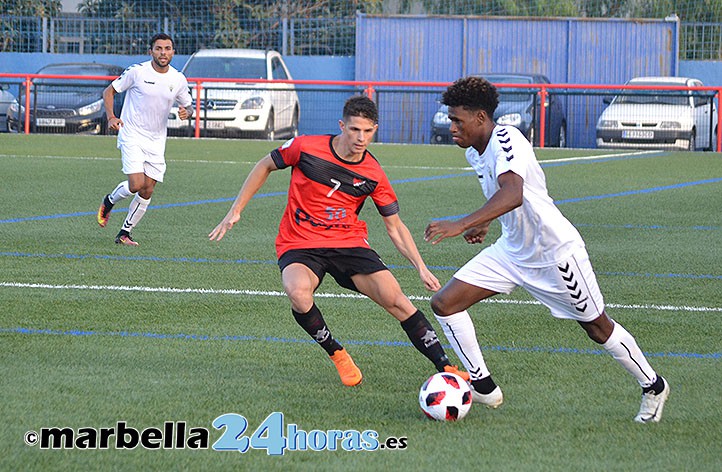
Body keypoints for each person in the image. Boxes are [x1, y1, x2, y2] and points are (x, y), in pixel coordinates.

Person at [424, 76, 669, 422]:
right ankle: (483, 386)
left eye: (457, 120)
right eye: (450, 119)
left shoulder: (507, 138)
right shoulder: (474, 151)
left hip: (555, 254)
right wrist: (485, 222)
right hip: (512, 251)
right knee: (445, 303)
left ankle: (653, 386)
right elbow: (504, 198)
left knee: (597, 326)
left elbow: (513, 194)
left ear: (480, 118)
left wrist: (461, 223)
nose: (451, 126)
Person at [209, 95, 468, 387]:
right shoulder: (305, 147)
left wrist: (420, 267)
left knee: (397, 301)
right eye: (355, 129)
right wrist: (236, 210)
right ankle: (337, 353)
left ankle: (446, 366)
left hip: (349, 243)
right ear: (342, 126)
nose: (361, 138)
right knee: (298, 292)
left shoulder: (373, 173)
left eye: (368, 131)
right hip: (300, 242)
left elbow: (395, 227)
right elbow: (264, 165)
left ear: (375, 130)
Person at [97, 33, 193, 246]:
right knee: (136, 184)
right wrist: (112, 117)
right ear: (151, 52)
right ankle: (109, 201)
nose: (163, 53)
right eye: (158, 48)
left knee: (148, 189)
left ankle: (124, 233)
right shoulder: (137, 72)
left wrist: (188, 112)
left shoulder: (178, 79)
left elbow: (188, 105)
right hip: (132, 133)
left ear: (173, 52)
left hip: (157, 140)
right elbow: (108, 92)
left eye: (167, 48)